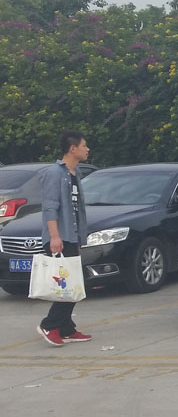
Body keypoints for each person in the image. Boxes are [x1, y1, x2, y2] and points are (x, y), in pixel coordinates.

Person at [35, 130, 93, 347]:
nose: (87, 149)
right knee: (68, 285)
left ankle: (66, 328)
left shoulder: (74, 173)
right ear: (72, 148)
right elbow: (50, 207)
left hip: (72, 236)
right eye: (84, 146)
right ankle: (49, 324)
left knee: (75, 283)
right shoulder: (54, 173)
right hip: (60, 238)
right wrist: (54, 236)